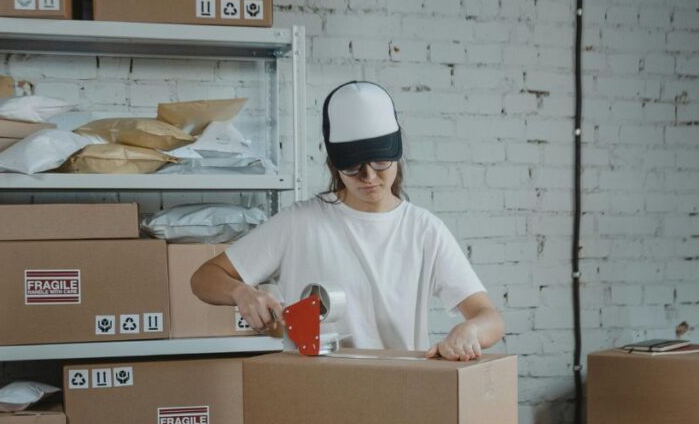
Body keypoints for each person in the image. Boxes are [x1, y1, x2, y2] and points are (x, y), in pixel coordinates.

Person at [190, 80, 504, 360]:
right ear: (333, 164)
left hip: (400, 392)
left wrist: (470, 332)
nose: (368, 177)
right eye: (353, 167)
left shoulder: (424, 231)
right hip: (315, 395)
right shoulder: (299, 224)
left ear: (396, 152)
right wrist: (241, 292)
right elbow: (204, 278)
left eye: (380, 162)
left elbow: (489, 318)